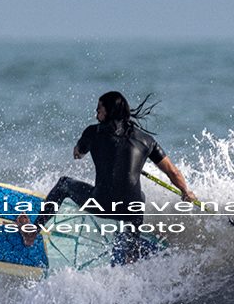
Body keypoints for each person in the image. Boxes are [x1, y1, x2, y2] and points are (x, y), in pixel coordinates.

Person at [18, 91, 197, 264]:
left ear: (108, 112)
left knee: (64, 184)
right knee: (139, 198)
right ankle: (131, 251)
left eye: (99, 110)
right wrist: (186, 191)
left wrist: (80, 151)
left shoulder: (93, 132)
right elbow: (173, 171)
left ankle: (32, 232)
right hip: (130, 210)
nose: (96, 114)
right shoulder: (146, 140)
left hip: (101, 204)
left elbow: (78, 153)